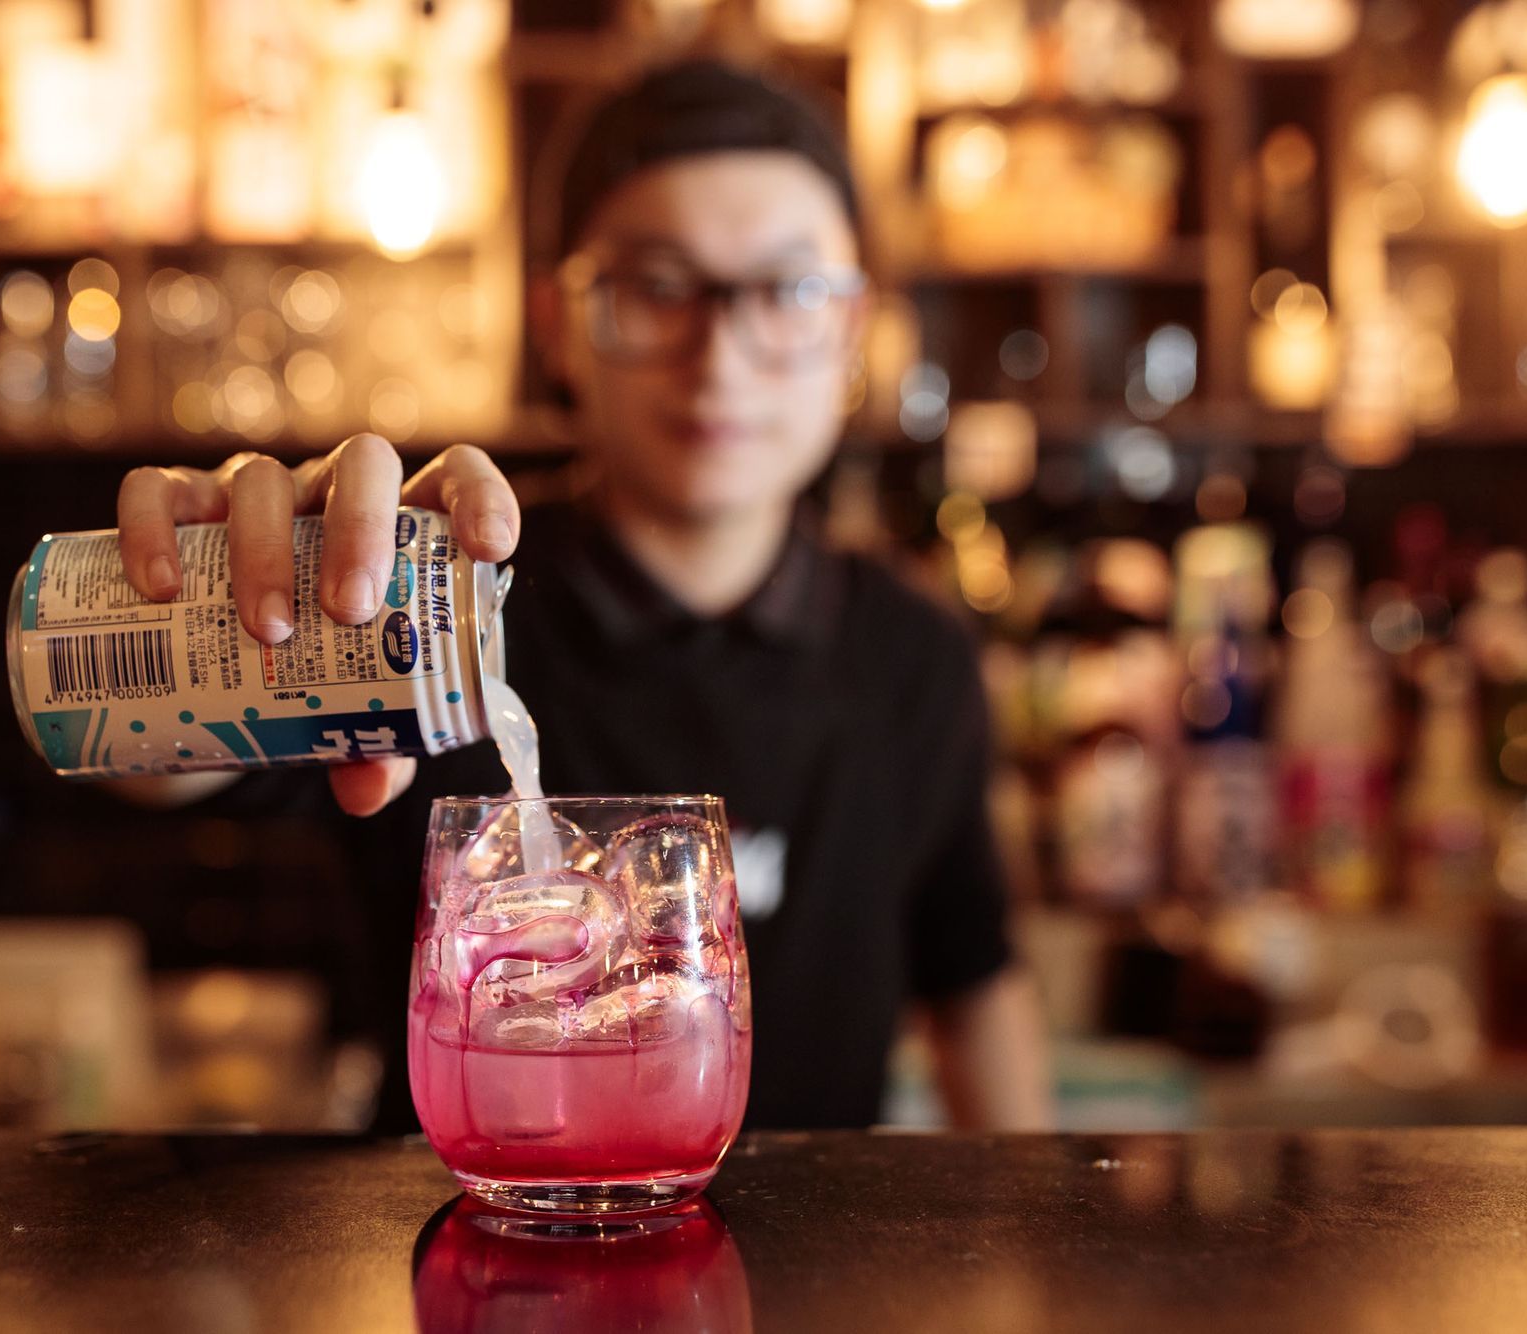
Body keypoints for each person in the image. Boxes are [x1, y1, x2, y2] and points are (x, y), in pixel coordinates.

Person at [109, 60, 1050, 1132]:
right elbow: (170, 767)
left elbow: (974, 980)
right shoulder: (433, 609)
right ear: (557, 322)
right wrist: (200, 608)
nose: (719, 355)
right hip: (467, 1255)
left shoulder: (912, 654)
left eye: (787, 291)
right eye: (656, 286)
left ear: (851, 330)